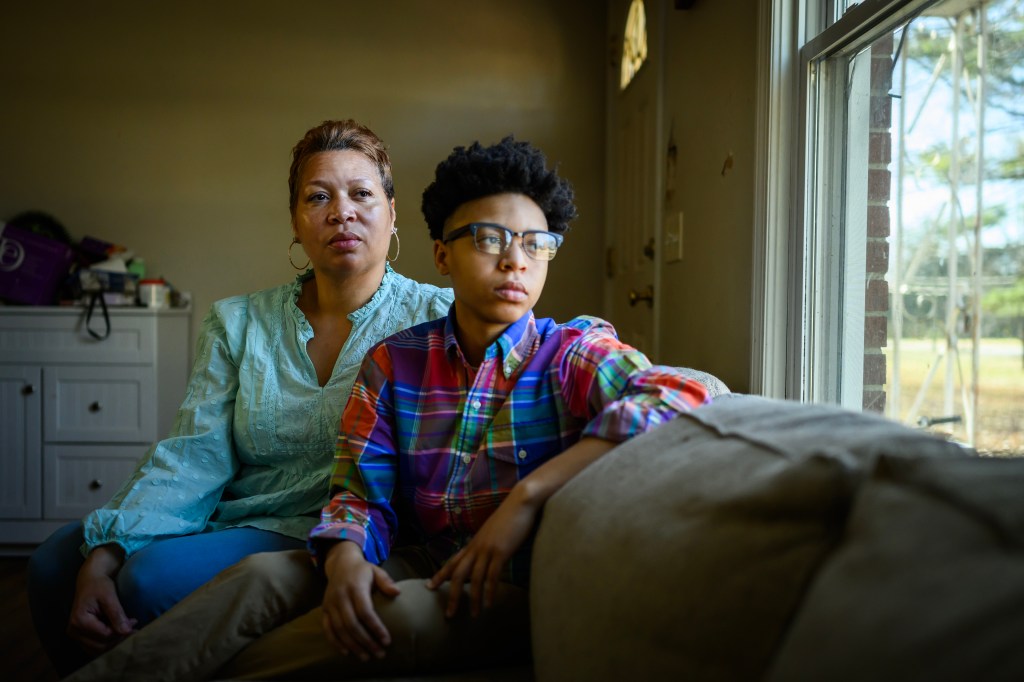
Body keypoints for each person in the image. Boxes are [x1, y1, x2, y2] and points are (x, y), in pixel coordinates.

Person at [64, 136, 710, 682]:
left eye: (535, 244)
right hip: (413, 557)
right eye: (489, 239)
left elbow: (686, 391)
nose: (515, 258)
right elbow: (359, 491)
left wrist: (531, 497)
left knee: (386, 619)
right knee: (263, 576)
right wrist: (345, 555)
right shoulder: (396, 361)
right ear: (442, 255)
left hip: (504, 587)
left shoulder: (570, 352)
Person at [27, 119, 454, 677]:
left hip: (335, 530)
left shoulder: (437, 316)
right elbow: (193, 453)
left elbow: (532, 348)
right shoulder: (238, 321)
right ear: (296, 222)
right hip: (231, 513)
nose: (341, 212)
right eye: (318, 196)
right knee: (55, 564)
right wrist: (108, 549)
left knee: (144, 580)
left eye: (361, 194)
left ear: (392, 213)